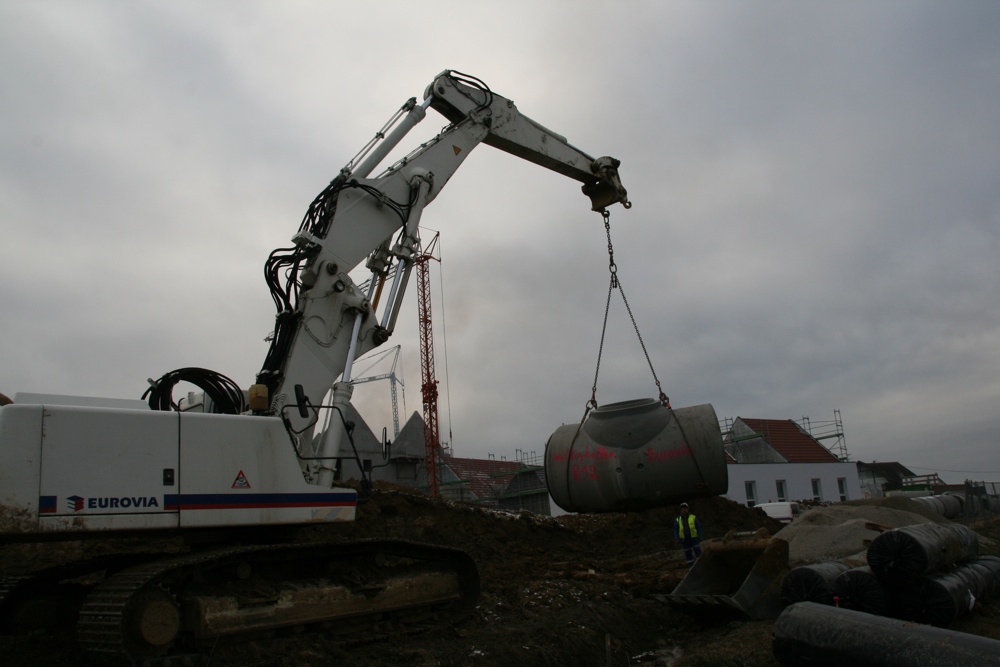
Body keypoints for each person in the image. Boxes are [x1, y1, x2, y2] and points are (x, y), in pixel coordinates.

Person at [674, 502, 702, 566]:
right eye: (682, 509)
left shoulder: (693, 517)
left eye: (685, 508)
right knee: (688, 555)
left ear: (688, 509)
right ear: (680, 510)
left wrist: (700, 535)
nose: (684, 510)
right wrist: (676, 538)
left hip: (694, 538)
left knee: (698, 553)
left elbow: (698, 526)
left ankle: (701, 565)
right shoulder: (677, 520)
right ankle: (691, 568)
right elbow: (676, 530)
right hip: (684, 540)